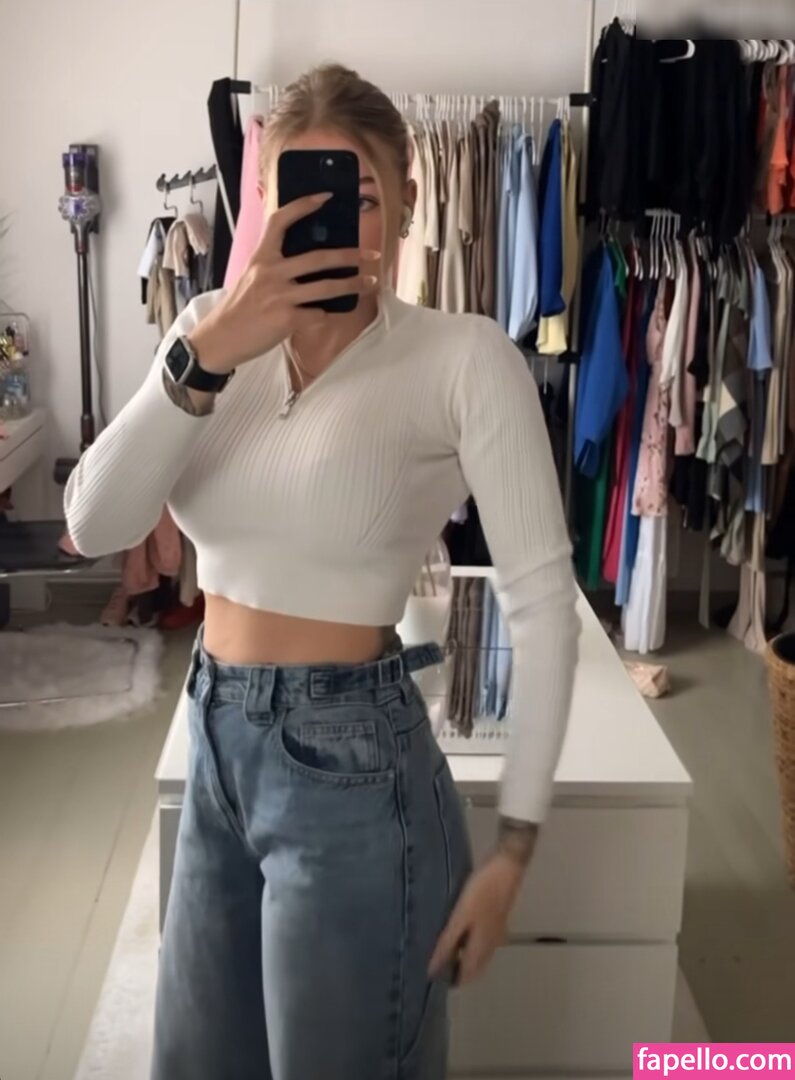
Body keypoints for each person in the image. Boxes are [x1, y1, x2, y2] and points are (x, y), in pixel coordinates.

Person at [65, 63, 580, 1080]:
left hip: (355, 770)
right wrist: (209, 351)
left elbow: (544, 606)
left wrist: (515, 848)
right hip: (211, 741)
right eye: (295, 200)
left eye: (362, 198)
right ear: (261, 206)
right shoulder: (210, 336)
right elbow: (93, 523)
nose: (331, 228)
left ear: (407, 205)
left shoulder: (463, 359)